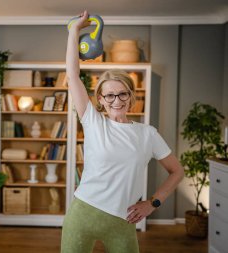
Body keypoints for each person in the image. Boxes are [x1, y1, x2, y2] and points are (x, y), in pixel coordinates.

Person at [61, 10, 185, 253]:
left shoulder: (148, 134)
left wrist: (153, 202)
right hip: (82, 214)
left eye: (122, 93)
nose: (116, 100)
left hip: (122, 220)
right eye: (109, 95)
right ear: (101, 100)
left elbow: (176, 171)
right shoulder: (93, 121)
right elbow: (72, 74)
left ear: (131, 98)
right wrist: (74, 30)